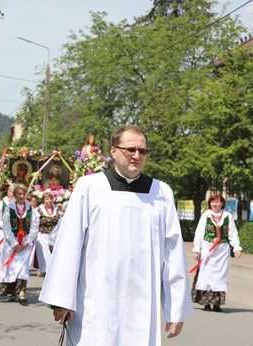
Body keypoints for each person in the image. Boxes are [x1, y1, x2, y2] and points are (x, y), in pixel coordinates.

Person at [39, 125, 193, 345]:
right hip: (94, 301)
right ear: (113, 151)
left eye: (142, 151)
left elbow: (173, 253)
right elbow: (69, 245)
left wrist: (176, 307)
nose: (137, 155)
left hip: (142, 307)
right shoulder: (89, 187)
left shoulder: (161, 193)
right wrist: (61, 299)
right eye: (130, 149)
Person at [191, 193, 242, 312]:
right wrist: (196, 249)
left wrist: (236, 247)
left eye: (217, 202)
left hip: (222, 251)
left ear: (222, 203)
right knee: (207, 275)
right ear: (210, 203)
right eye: (213, 202)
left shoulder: (227, 216)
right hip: (208, 249)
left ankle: (217, 304)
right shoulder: (206, 216)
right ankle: (206, 303)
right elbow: (199, 233)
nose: (215, 204)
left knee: (220, 276)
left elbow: (232, 233)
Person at [0, 184, 39, 306]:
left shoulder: (31, 209)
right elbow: (6, 226)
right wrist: (14, 243)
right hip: (11, 243)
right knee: (12, 268)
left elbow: (34, 227)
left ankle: (22, 293)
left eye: (23, 194)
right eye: (19, 194)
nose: (21, 196)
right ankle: (13, 291)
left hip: (25, 243)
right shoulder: (9, 208)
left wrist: (27, 242)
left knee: (23, 269)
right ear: (14, 195)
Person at [34, 191, 60, 276]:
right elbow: (35, 224)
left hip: (55, 235)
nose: (49, 201)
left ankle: (53, 271)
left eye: (51, 199)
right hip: (43, 235)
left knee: (55, 254)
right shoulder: (38, 210)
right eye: (47, 199)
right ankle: (46, 272)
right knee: (45, 255)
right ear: (43, 200)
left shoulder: (57, 210)